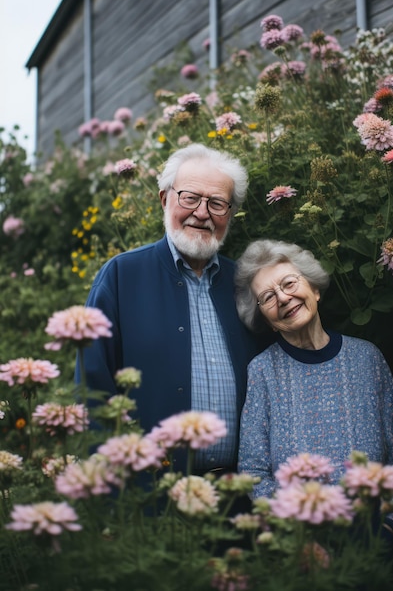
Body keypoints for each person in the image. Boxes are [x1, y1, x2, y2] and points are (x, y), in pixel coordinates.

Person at [79, 143, 268, 474]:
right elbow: (92, 389)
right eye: (190, 197)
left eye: (217, 203)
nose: (202, 212)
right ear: (165, 199)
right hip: (151, 500)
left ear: (231, 214)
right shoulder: (122, 276)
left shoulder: (245, 283)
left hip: (239, 501)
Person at [234, 239, 393, 500]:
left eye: (289, 283)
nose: (284, 298)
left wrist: (389, 527)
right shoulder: (262, 372)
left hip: (372, 533)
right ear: (268, 321)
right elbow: (253, 473)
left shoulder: (367, 358)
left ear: (314, 289)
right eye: (268, 297)